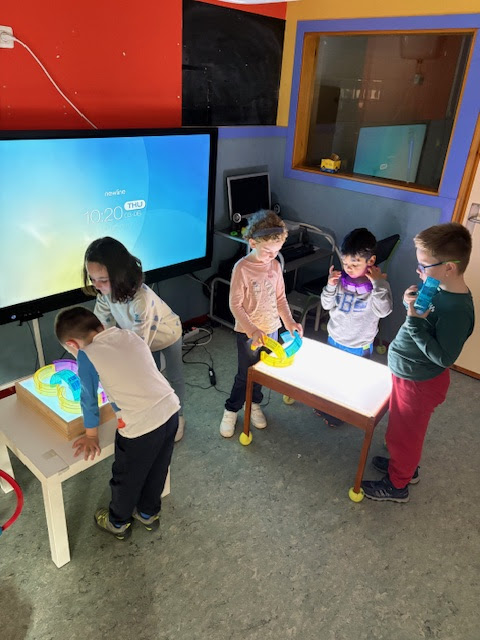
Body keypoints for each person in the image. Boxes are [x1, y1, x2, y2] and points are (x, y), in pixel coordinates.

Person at [362, 222, 475, 503]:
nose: (418, 271)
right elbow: (424, 318)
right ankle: (404, 467)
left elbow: (444, 357)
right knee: (400, 430)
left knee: (405, 436)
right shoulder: (437, 287)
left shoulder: (457, 310)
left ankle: (397, 485)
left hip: (420, 382)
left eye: (424, 266)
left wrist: (413, 322)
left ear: (449, 267)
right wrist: (408, 304)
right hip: (408, 373)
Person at [54, 306, 180, 539]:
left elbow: (88, 400)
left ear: (72, 344)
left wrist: (91, 435)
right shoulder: (127, 334)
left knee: (127, 477)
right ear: (100, 327)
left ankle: (118, 522)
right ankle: (148, 513)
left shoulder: (86, 355)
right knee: (158, 467)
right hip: (170, 410)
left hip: (140, 427)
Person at [83, 237, 186, 441]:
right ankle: (157, 414)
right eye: (92, 279)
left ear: (119, 275)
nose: (97, 285)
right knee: (151, 378)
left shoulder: (141, 300)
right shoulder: (104, 294)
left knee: (174, 377)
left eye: (102, 280)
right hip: (141, 339)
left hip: (168, 335)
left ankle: (178, 416)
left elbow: (139, 348)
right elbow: (101, 327)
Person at [220, 210, 303, 438]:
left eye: (276, 251)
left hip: (272, 330)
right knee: (245, 374)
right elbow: (235, 305)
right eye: (268, 251)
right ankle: (231, 409)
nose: (272, 256)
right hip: (249, 334)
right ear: (253, 243)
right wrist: (252, 330)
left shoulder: (274, 266)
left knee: (263, 371)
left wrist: (289, 322)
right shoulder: (242, 269)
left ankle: (254, 403)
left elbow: (280, 299)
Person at [318, 227, 393, 426]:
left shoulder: (379, 286)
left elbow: (384, 311)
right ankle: (327, 408)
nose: (348, 268)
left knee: (350, 383)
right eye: (345, 263)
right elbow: (326, 305)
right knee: (331, 377)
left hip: (359, 347)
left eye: (354, 263)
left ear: (371, 261)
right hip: (335, 339)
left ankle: (342, 415)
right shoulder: (339, 282)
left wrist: (378, 285)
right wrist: (330, 286)